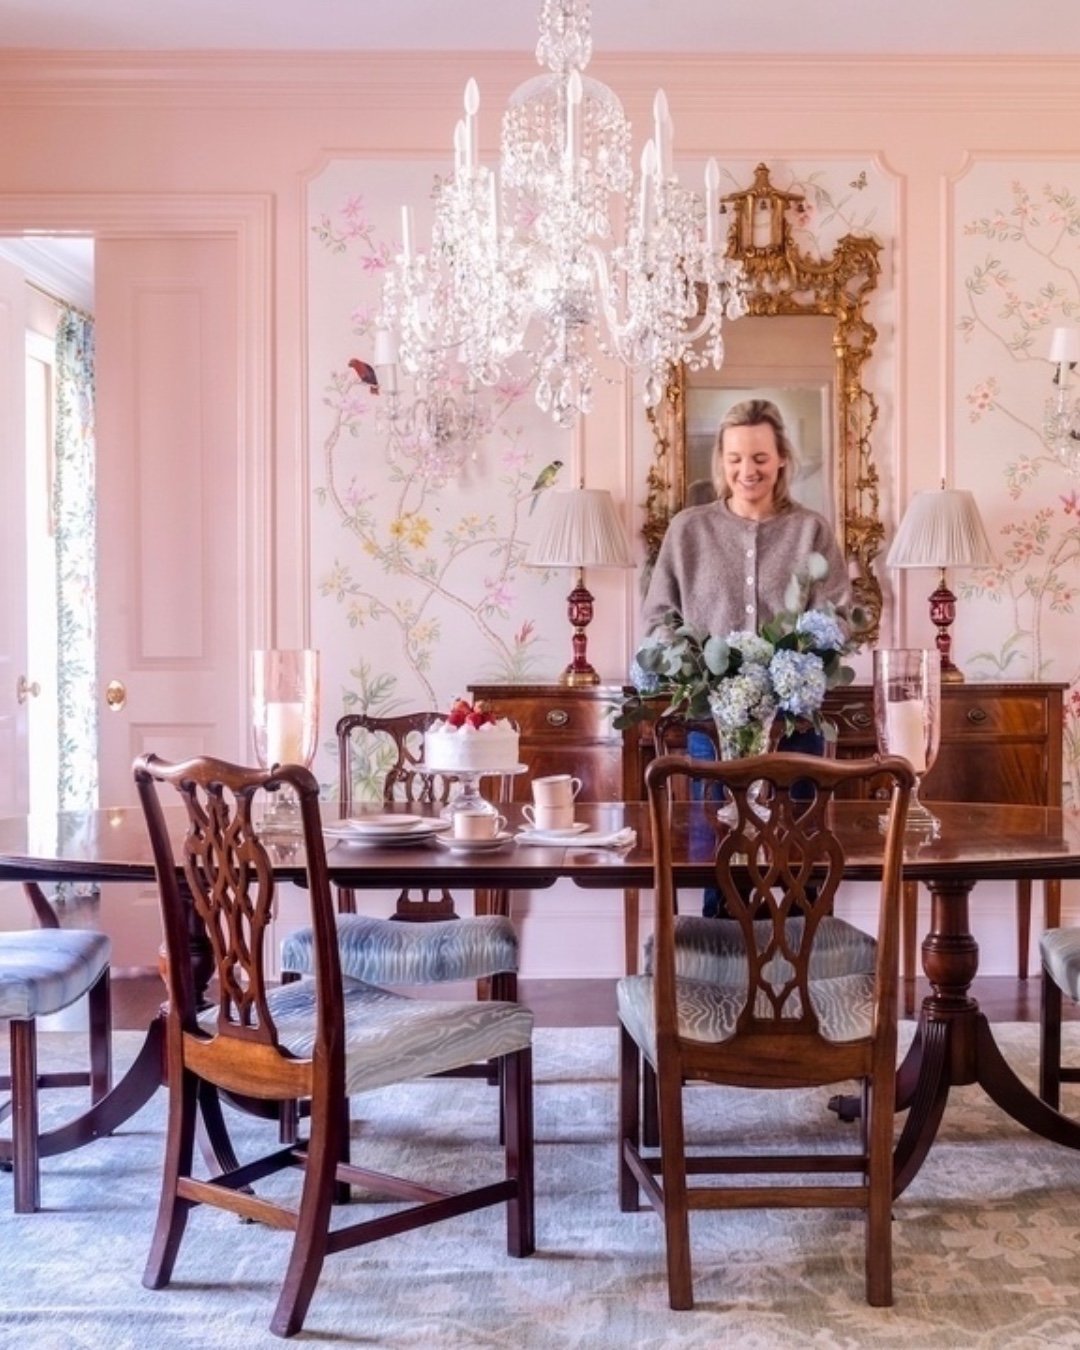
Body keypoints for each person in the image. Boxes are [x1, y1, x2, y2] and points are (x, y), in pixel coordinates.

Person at [639, 397, 850, 917]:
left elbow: (839, 618)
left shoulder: (812, 531)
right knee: (721, 856)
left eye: (758, 457)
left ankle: (802, 973)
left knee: (798, 854)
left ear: (781, 459)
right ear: (722, 461)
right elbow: (658, 618)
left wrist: (799, 664)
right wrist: (691, 663)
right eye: (735, 458)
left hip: (796, 726)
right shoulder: (688, 530)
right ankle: (722, 976)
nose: (746, 470)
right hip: (711, 726)